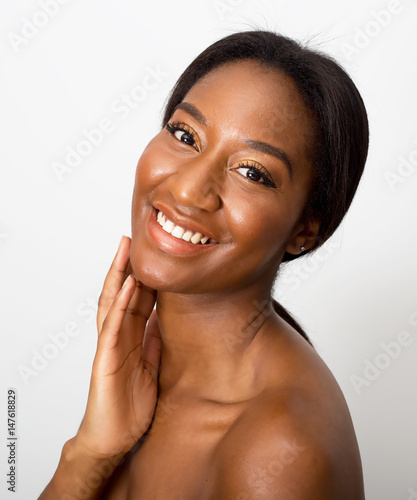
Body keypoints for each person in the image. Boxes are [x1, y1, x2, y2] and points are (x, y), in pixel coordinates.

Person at [38, 29, 368, 499]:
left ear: (305, 230)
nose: (189, 189)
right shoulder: (142, 371)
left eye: (252, 172)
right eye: (185, 134)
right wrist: (91, 451)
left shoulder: (278, 452)